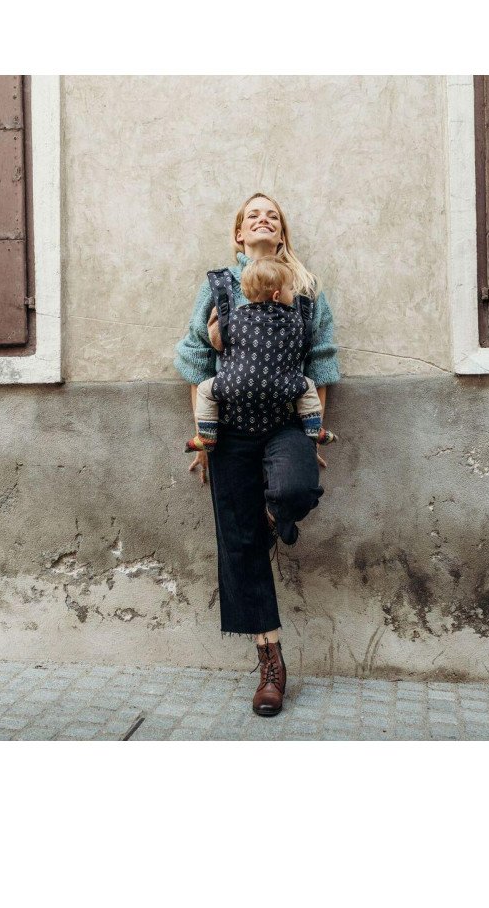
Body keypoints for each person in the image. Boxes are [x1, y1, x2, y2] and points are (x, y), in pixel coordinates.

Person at [174, 193, 341, 716]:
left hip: (286, 423)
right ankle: (270, 662)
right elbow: (196, 360)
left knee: (297, 489)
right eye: (253, 215)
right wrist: (204, 437)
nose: (263, 219)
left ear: (282, 233)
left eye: (272, 215)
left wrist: (312, 433)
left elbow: (321, 362)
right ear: (239, 235)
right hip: (230, 430)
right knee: (239, 542)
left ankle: (273, 520)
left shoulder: (306, 289)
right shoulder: (218, 287)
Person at [184, 257, 338, 453]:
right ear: (277, 295)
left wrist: (216, 317)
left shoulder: (232, 318)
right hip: (283, 388)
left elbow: (217, 343)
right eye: (291, 289)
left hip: (234, 385)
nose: (293, 293)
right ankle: (314, 429)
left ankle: (206, 435)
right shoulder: (297, 320)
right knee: (307, 387)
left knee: (205, 390)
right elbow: (308, 348)